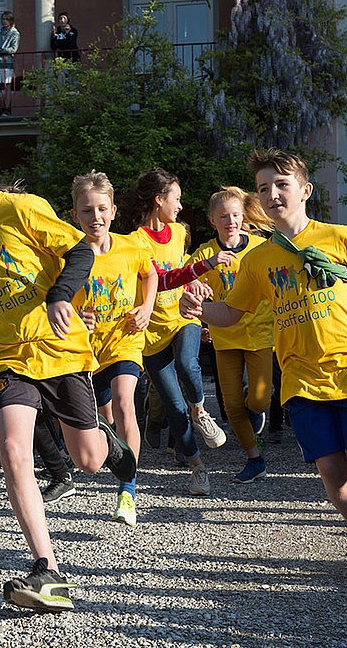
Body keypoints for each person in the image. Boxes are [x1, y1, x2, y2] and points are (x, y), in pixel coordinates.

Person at [181, 149, 347, 588]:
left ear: (305, 191)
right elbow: (233, 313)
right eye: (263, 188)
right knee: (335, 480)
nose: (272, 194)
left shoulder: (337, 236)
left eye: (281, 185)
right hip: (301, 381)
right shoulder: (258, 260)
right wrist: (200, 309)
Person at [0, 107, 136, 612]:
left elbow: (81, 251)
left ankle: (110, 445)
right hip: (4, 356)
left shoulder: (22, 209)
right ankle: (47, 568)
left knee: (89, 460)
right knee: (13, 446)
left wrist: (61, 295)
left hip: (58, 348)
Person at [121, 169, 224, 497]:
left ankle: (201, 411)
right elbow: (163, 279)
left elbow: (177, 269)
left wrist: (193, 282)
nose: (180, 206)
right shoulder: (135, 240)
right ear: (159, 200)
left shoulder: (179, 232)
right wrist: (200, 268)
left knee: (187, 365)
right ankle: (197, 468)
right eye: (175, 199)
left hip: (183, 316)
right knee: (172, 405)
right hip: (152, 332)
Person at [69, 170, 156, 526]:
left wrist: (147, 307)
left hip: (125, 340)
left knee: (124, 405)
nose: (96, 217)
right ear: (75, 215)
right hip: (88, 350)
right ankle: (115, 451)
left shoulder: (132, 246)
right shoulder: (70, 255)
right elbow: (59, 301)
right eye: (87, 211)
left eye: (102, 209)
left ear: (114, 210)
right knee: (104, 420)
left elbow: (150, 274)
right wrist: (78, 320)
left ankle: (128, 491)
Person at [188, 187, 275, 483]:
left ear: (243, 216)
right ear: (212, 220)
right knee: (232, 405)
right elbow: (187, 284)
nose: (231, 221)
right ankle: (254, 459)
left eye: (236, 215)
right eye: (223, 216)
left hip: (259, 332)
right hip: (223, 338)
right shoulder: (205, 254)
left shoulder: (261, 248)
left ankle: (256, 416)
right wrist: (197, 304)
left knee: (260, 400)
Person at [0, 11, 19, 116]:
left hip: (7, 63)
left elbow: (13, 49)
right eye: (3, 19)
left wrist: (0, 50)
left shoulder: (14, 33)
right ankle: (2, 106)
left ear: (11, 21)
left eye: (7, 19)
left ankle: (6, 109)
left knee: (7, 87)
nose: (4, 21)